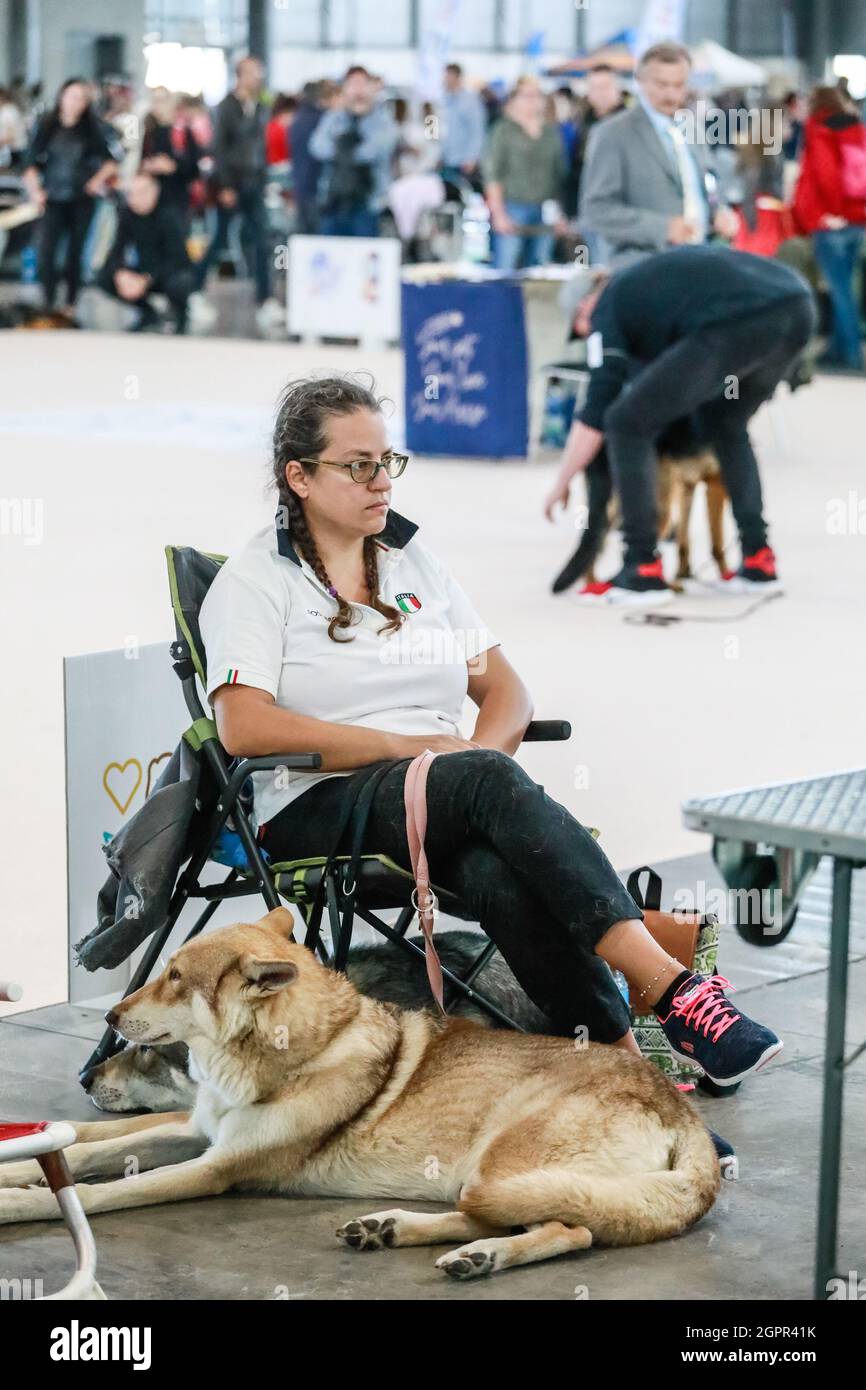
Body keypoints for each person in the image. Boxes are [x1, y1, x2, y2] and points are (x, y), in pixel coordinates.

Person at [197, 372, 783, 1087]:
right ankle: (674, 990)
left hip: (439, 789)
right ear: (300, 477)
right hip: (318, 802)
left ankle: (627, 1082)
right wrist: (418, 753)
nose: (382, 481)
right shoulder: (259, 579)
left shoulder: (412, 559)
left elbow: (505, 689)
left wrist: (470, 771)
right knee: (479, 778)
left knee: (493, 872)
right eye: (358, 466)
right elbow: (242, 726)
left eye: (389, 462)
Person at [544, 246, 816, 604]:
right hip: (798, 308)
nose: (585, 336)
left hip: (739, 319)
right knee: (725, 421)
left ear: (584, 308)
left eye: (579, 330)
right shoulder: (645, 288)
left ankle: (641, 569)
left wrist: (561, 481)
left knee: (625, 422)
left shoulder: (607, 306)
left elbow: (597, 409)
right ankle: (758, 560)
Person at [579, 42, 738, 269]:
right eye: (662, 84)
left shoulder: (692, 128)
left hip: (700, 262)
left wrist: (720, 213)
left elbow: (709, 186)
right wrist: (663, 228)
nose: (671, 94)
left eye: (679, 85)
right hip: (642, 270)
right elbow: (596, 211)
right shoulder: (612, 134)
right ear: (640, 81)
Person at [22, 77, 120, 313]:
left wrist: (93, 183)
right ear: (62, 97)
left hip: (81, 199)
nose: (75, 103)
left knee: (75, 252)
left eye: (81, 99)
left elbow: (111, 162)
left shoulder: (91, 129)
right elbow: (30, 164)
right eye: (72, 96)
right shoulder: (47, 125)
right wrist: (36, 191)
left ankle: (71, 303)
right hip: (52, 196)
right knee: (46, 250)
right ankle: (47, 299)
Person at [793, 84, 866, 372]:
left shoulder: (819, 127)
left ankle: (849, 353)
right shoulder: (855, 127)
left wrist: (831, 212)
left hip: (832, 221)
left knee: (839, 290)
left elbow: (825, 175)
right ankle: (839, 346)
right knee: (848, 287)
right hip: (857, 219)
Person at [197, 55, 274, 313]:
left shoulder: (261, 107)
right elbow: (218, 148)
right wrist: (226, 186)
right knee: (218, 240)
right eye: (253, 72)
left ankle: (265, 299)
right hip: (232, 183)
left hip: (255, 182)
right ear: (240, 74)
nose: (258, 77)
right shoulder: (226, 107)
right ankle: (195, 291)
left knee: (262, 241)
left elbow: (261, 147)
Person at [483, 76, 567, 271]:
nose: (533, 101)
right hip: (512, 207)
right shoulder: (502, 131)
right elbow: (492, 173)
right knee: (507, 267)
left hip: (545, 209)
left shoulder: (551, 132)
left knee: (540, 268)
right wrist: (498, 214)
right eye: (527, 96)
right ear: (514, 100)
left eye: (537, 95)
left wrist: (560, 213)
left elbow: (559, 173)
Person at [96, 171, 195, 333]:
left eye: (141, 193)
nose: (135, 198)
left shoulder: (169, 216)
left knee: (180, 282)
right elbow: (116, 251)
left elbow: (178, 259)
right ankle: (149, 313)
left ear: (154, 192)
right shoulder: (127, 214)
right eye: (131, 194)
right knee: (104, 277)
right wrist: (120, 274)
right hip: (143, 270)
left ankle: (181, 316)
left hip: (168, 273)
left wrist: (147, 279)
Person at [309, 66, 397, 237]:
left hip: (369, 202)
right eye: (352, 84)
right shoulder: (333, 118)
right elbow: (317, 146)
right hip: (334, 200)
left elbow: (376, 150)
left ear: (372, 88)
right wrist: (344, 151)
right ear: (344, 89)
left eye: (363, 84)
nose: (358, 90)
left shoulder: (383, 121)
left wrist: (343, 151)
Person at [140, 86, 202, 223]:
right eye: (155, 100)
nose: (159, 105)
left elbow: (195, 167)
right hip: (147, 201)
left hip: (176, 201)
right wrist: (148, 166)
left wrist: (174, 166)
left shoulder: (182, 132)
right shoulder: (144, 131)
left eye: (162, 100)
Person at [439, 62, 486, 189]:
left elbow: (477, 131)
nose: (445, 79)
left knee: (462, 193)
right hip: (443, 160)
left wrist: (472, 157)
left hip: (462, 160)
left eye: (448, 76)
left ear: (457, 77)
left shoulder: (470, 101)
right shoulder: (441, 100)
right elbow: (433, 126)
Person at [290, 81, 328, 234]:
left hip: (299, 182)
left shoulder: (297, 119)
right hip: (315, 184)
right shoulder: (321, 119)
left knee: (303, 233)